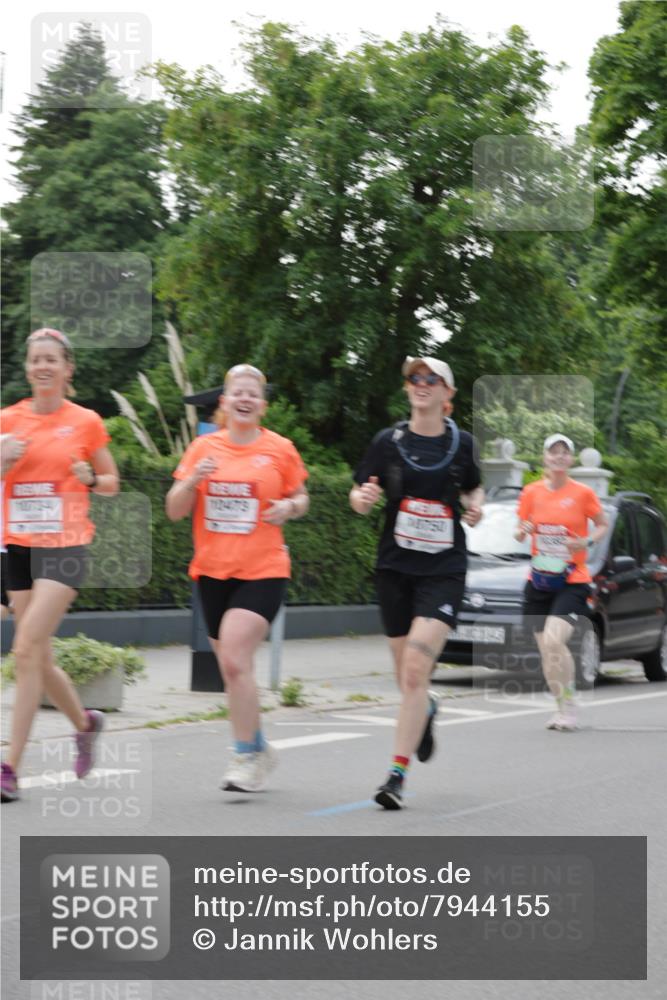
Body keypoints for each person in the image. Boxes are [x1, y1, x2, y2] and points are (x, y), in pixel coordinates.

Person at [166, 364, 309, 794]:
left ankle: (245, 756)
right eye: (237, 393)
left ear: (263, 405)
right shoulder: (202, 447)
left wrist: (290, 508)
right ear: (224, 403)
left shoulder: (280, 449)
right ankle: (260, 746)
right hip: (212, 573)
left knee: (232, 658)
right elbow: (174, 510)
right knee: (235, 671)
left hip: (264, 571)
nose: (244, 399)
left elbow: (301, 496)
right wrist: (192, 479)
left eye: (253, 393)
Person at [350, 357, 484, 810]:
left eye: (432, 379)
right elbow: (359, 493)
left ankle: (395, 776)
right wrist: (363, 498)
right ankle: (425, 709)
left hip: (444, 570)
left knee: (413, 670)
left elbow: (473, 488)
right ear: (408, 388)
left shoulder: (462, 444)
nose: (422, 384)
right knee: (408, 679)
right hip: (394, 568)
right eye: (415, 378)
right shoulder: (388, 442)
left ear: (448, 394)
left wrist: (474, 506)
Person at [0, 328, 120, 803]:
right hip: (20, 546)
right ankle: (85, 723)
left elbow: (111, 481)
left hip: (66, 546)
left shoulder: (86, 421)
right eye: (35, 360)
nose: (43, 367)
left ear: (68, 369)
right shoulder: (7, 420)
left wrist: (92, 477)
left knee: (26, 645)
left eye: (52, 359)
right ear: (28, 368)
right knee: (39, 656)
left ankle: (9, 766)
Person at [515, 434, 609, 731]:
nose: (558, 457)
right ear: (544, 458)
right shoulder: (530, 492)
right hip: (539, 579)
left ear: (571, 460)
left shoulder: (582, 493)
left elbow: (603, 525)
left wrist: (585, 540)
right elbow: (518, 532)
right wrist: (524, 529)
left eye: (564, 452)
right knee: (546, 649)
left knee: (556, 640)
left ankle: (569, 704)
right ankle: (559, 706)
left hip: (573, 579)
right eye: (553, 452)